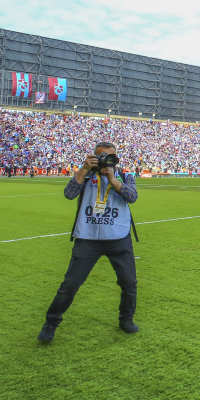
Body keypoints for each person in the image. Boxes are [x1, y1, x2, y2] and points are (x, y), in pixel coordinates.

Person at [38, 142, 140, 342]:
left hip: (118, 238)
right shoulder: (86, 176)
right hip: (88, 238)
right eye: (101, 156)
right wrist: (84, 168)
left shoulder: (126, 176)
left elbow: (132, 197)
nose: (105, 160)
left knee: (129, 283)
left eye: (110, 156)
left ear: (116, 158)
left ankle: (126, 320)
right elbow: (69, 194)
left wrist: (112, 178)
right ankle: (51, 322)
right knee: (70, 284)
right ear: (93, 156)